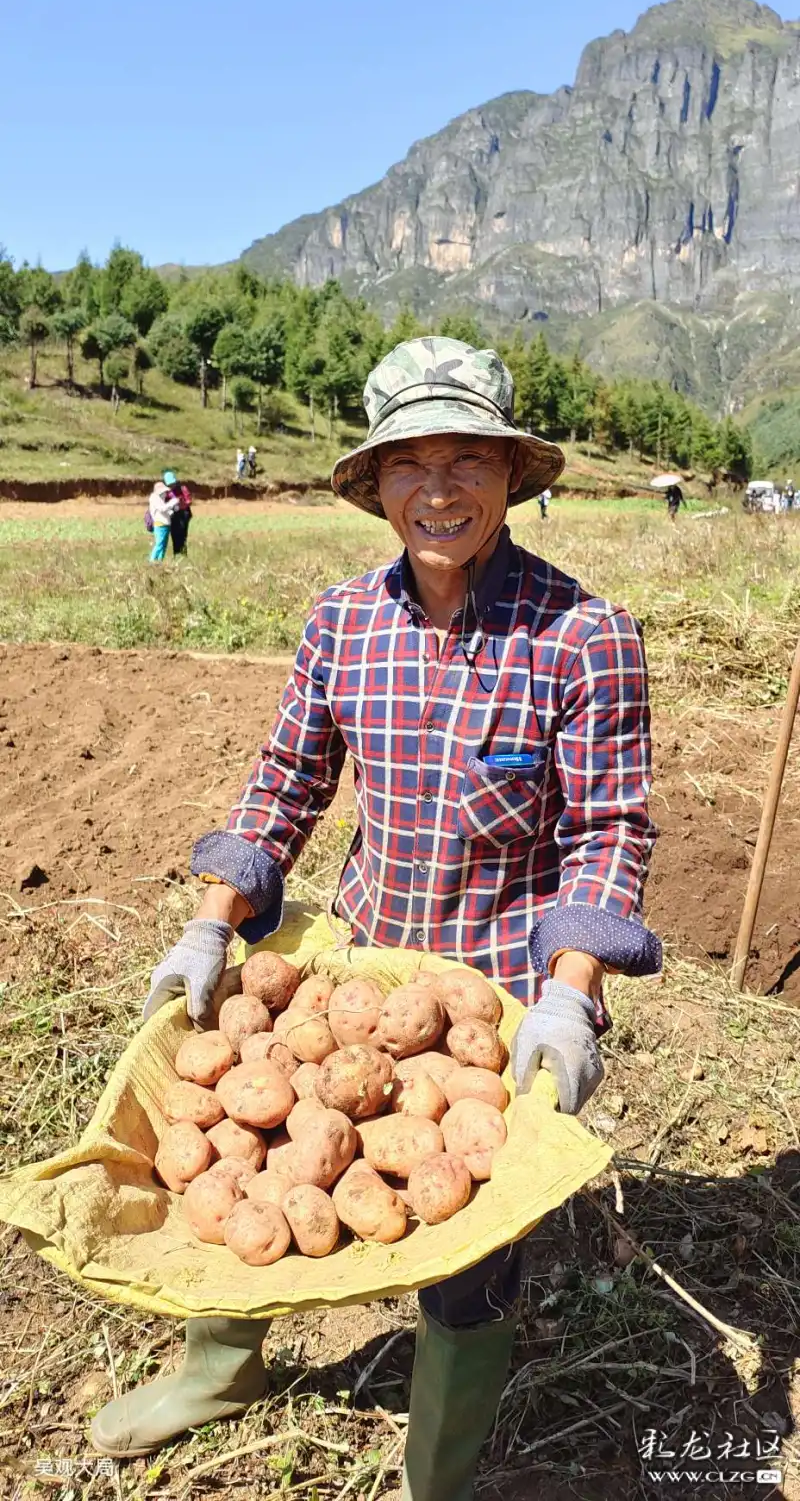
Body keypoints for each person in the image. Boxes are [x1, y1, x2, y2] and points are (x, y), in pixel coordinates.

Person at [94, 338, 661, 1495]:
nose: (438, 489)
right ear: (374, 484)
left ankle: (438, 1472)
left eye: (466, 460)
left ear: (511, 476)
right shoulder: (341, 623)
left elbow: (608, 829)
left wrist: (568, 996)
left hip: (497, 997)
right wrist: (211, 922)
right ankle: (222, 1367)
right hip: (349, 973)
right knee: (254, 1176)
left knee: (471, 1247)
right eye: (410, 463)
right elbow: (285, 784)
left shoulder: (582, 635)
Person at [147, 480, 179, 563]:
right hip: (160, 524)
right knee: (159, 544)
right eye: (164, 491)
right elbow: (162, 508)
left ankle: (159, 562)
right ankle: (152, 561)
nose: (165, 493)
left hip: (166, 524)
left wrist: (172, 509)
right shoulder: (154, 498)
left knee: (163, 545)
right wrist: (172, 503)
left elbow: (165, 510)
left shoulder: (160, 499)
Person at [163, 470, 193, 556]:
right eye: (169, 484)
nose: (171, 486)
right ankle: (176, 554)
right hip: (172, 515)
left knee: (182, 535)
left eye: (173, 483)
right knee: (174, 535)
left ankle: (183, 553)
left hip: (183, 514)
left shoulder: (182, 488)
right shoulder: (166, 491)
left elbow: (189, 501)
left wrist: (181, 505)